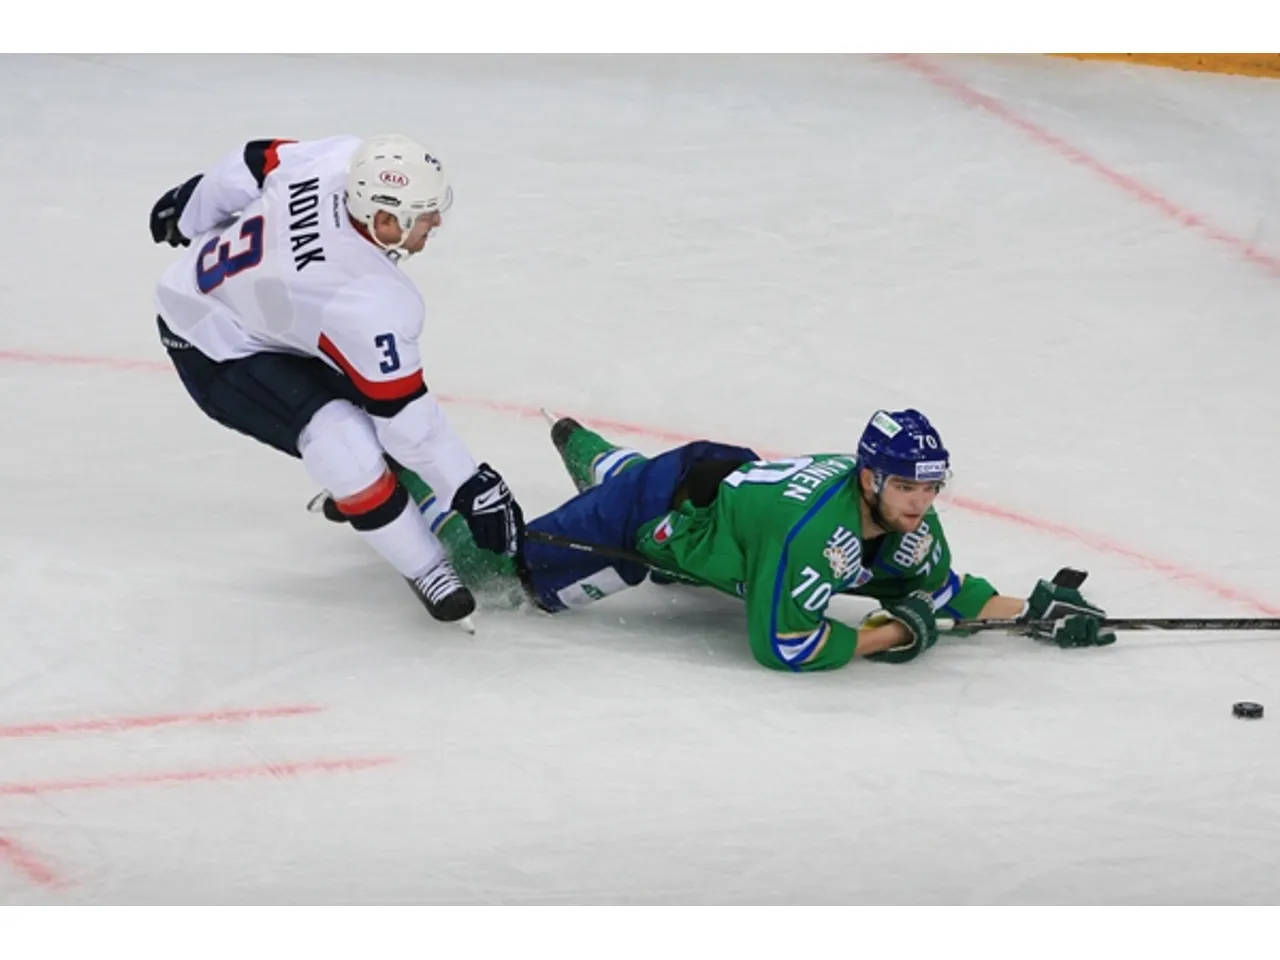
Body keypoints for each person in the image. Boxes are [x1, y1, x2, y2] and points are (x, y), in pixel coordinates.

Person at [316, 407, 1116, 669]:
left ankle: (593, 452)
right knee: (502, 575)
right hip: (659, 514)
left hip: (722, 487)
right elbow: (785, 646)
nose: (922, 503)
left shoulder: (908, 521)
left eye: (931, 487)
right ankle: (396, 484)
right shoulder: (812, 535)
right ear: (871, 477)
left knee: (682, 507)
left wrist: (1031, 611)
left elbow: (943, 592)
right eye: (908, 486)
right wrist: (889, 636)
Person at [149, 134, 523, 629]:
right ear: (385, 222)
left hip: (260, 311)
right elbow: (408, 425)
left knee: (372, 410)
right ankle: (425, 566)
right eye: (425, 213)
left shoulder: (341, 159)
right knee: (344, 447)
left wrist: (190, 210)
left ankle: (381, 506)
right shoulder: (371, 301)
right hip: (210, 342)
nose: (436, 221)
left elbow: (255, 160)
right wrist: (470, 487)